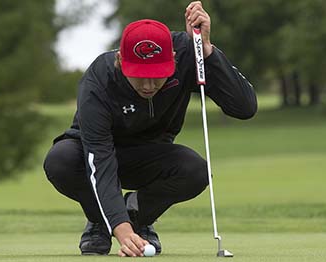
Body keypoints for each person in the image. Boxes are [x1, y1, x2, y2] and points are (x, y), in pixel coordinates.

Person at [42, 1, 256, 257]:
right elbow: (99, 158)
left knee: (195, 170)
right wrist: (122, 231)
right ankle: (102, 222)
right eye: (139, 75)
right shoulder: (99, 79)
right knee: (60, 160)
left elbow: (244, 107)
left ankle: (137, 215)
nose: (148, 84)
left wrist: (208, 52)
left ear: (173, 59)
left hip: (150, 157)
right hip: (93, 155)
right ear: (121, 61)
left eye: (158, 74)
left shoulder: (189, 53)